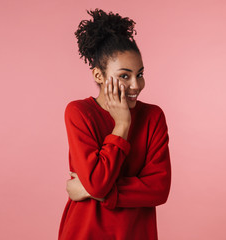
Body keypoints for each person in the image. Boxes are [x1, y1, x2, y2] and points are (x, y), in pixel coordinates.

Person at [58, 8, 172, 240]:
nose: (136, 85)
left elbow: (159, 189)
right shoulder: (79, 112)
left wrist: (91, 191)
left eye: (139, 74)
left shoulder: (153, 116)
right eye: (124, 76)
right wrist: (121, 126)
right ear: (99, 76)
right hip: (84, 232)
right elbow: (98, 183)